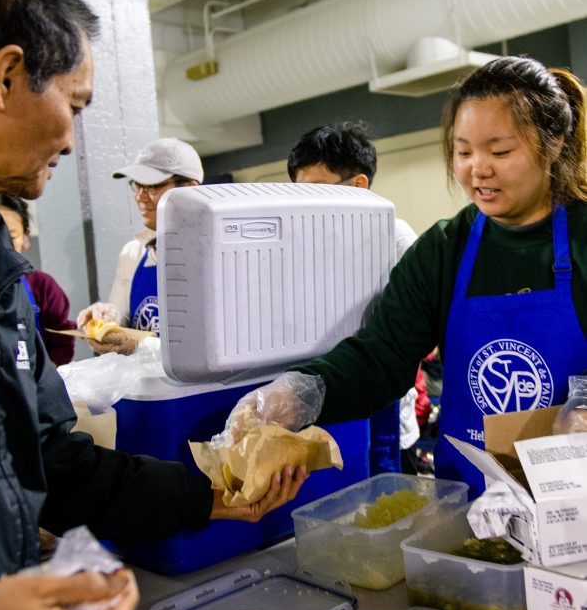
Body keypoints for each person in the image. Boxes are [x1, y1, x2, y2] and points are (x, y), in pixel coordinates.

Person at [0, 0, 307, 610]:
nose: (71, 139)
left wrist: (209, 495)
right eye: (77, 105)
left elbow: (51, 462)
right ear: (5, 76)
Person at [226, 55, 587, 497]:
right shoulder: (445, 248)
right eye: (463, 151)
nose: (478, 169)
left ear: (553, 144)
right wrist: (300, 392)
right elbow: (382, 355)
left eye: (500, 151)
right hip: (474, 503)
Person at [287, 121, 424, 474]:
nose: (305, 206)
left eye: (315, 191)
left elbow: (422, 335)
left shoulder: (395, 237)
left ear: (359, 186)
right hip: (322, 399)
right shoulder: (300, 243)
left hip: (383, 408)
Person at [76, 137, 202, 355]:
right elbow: (121, 315)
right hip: (147, 387)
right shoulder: (133, 253)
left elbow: (211, 349)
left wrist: (140, 345)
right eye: (137, 185)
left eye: (152, 186)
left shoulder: (215, 254)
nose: (140, 197)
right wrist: (106, 316)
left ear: (189, 188)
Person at [0, 192, 76, 366]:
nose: (2, 245)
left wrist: (44, 381)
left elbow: (62, 342)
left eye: (11, 236)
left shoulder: (43, 286)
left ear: (26, 239)